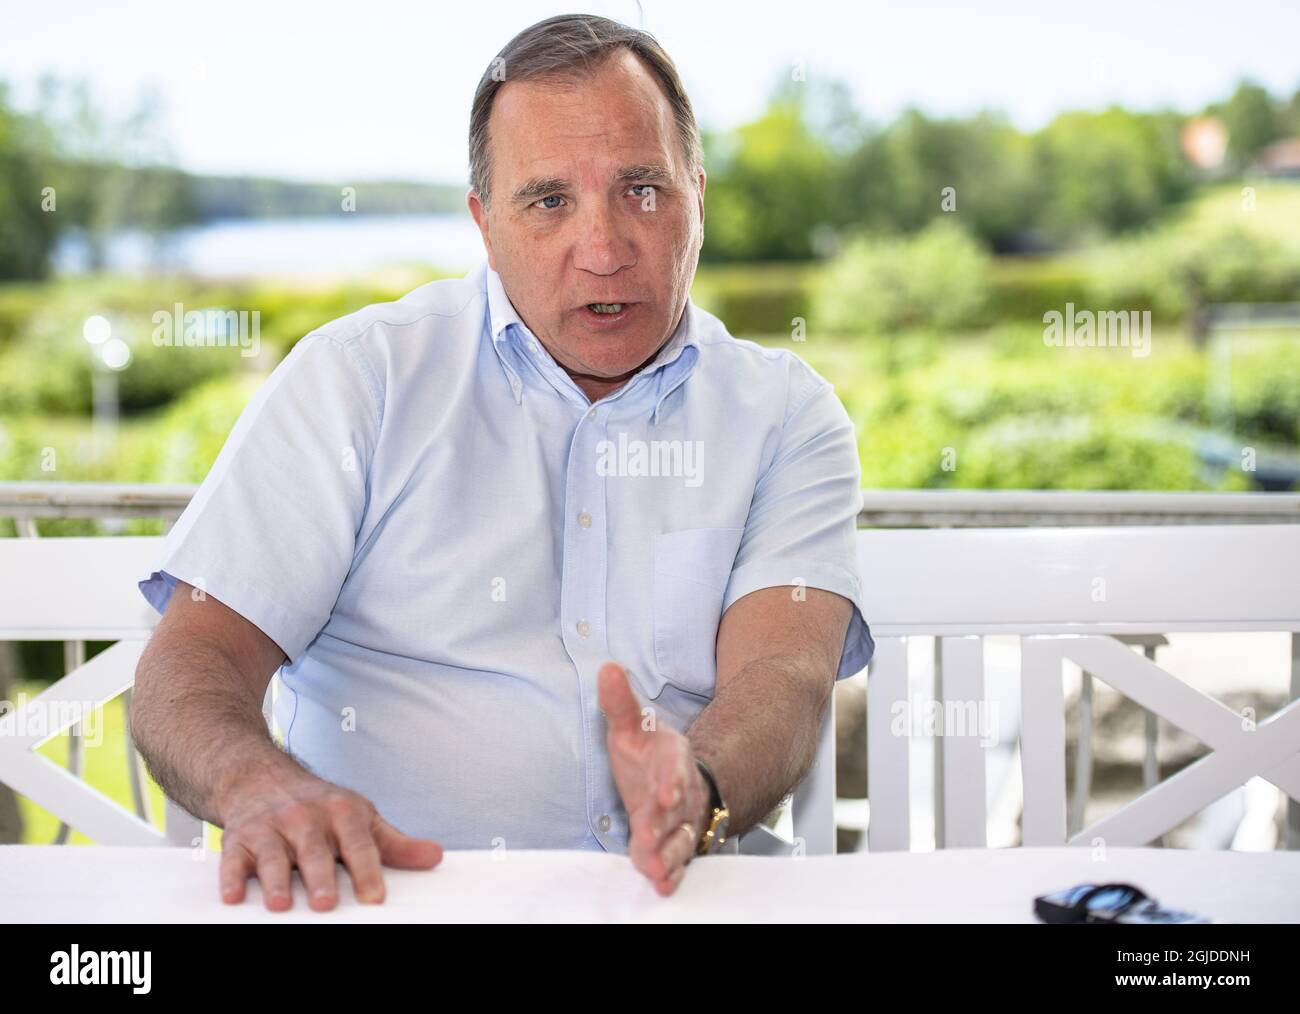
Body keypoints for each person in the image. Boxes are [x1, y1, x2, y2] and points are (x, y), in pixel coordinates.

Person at [130, 13, 873, 911]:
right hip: (389, 902)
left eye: (641, 189)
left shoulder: (786, 415)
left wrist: (699, 785)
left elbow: (783, 674)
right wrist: (258, 785)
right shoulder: (361, 380)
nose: (603, 249)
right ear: (485, 224)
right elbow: (192, 662)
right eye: (549, 200)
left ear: (698, 202)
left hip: (680, 902)